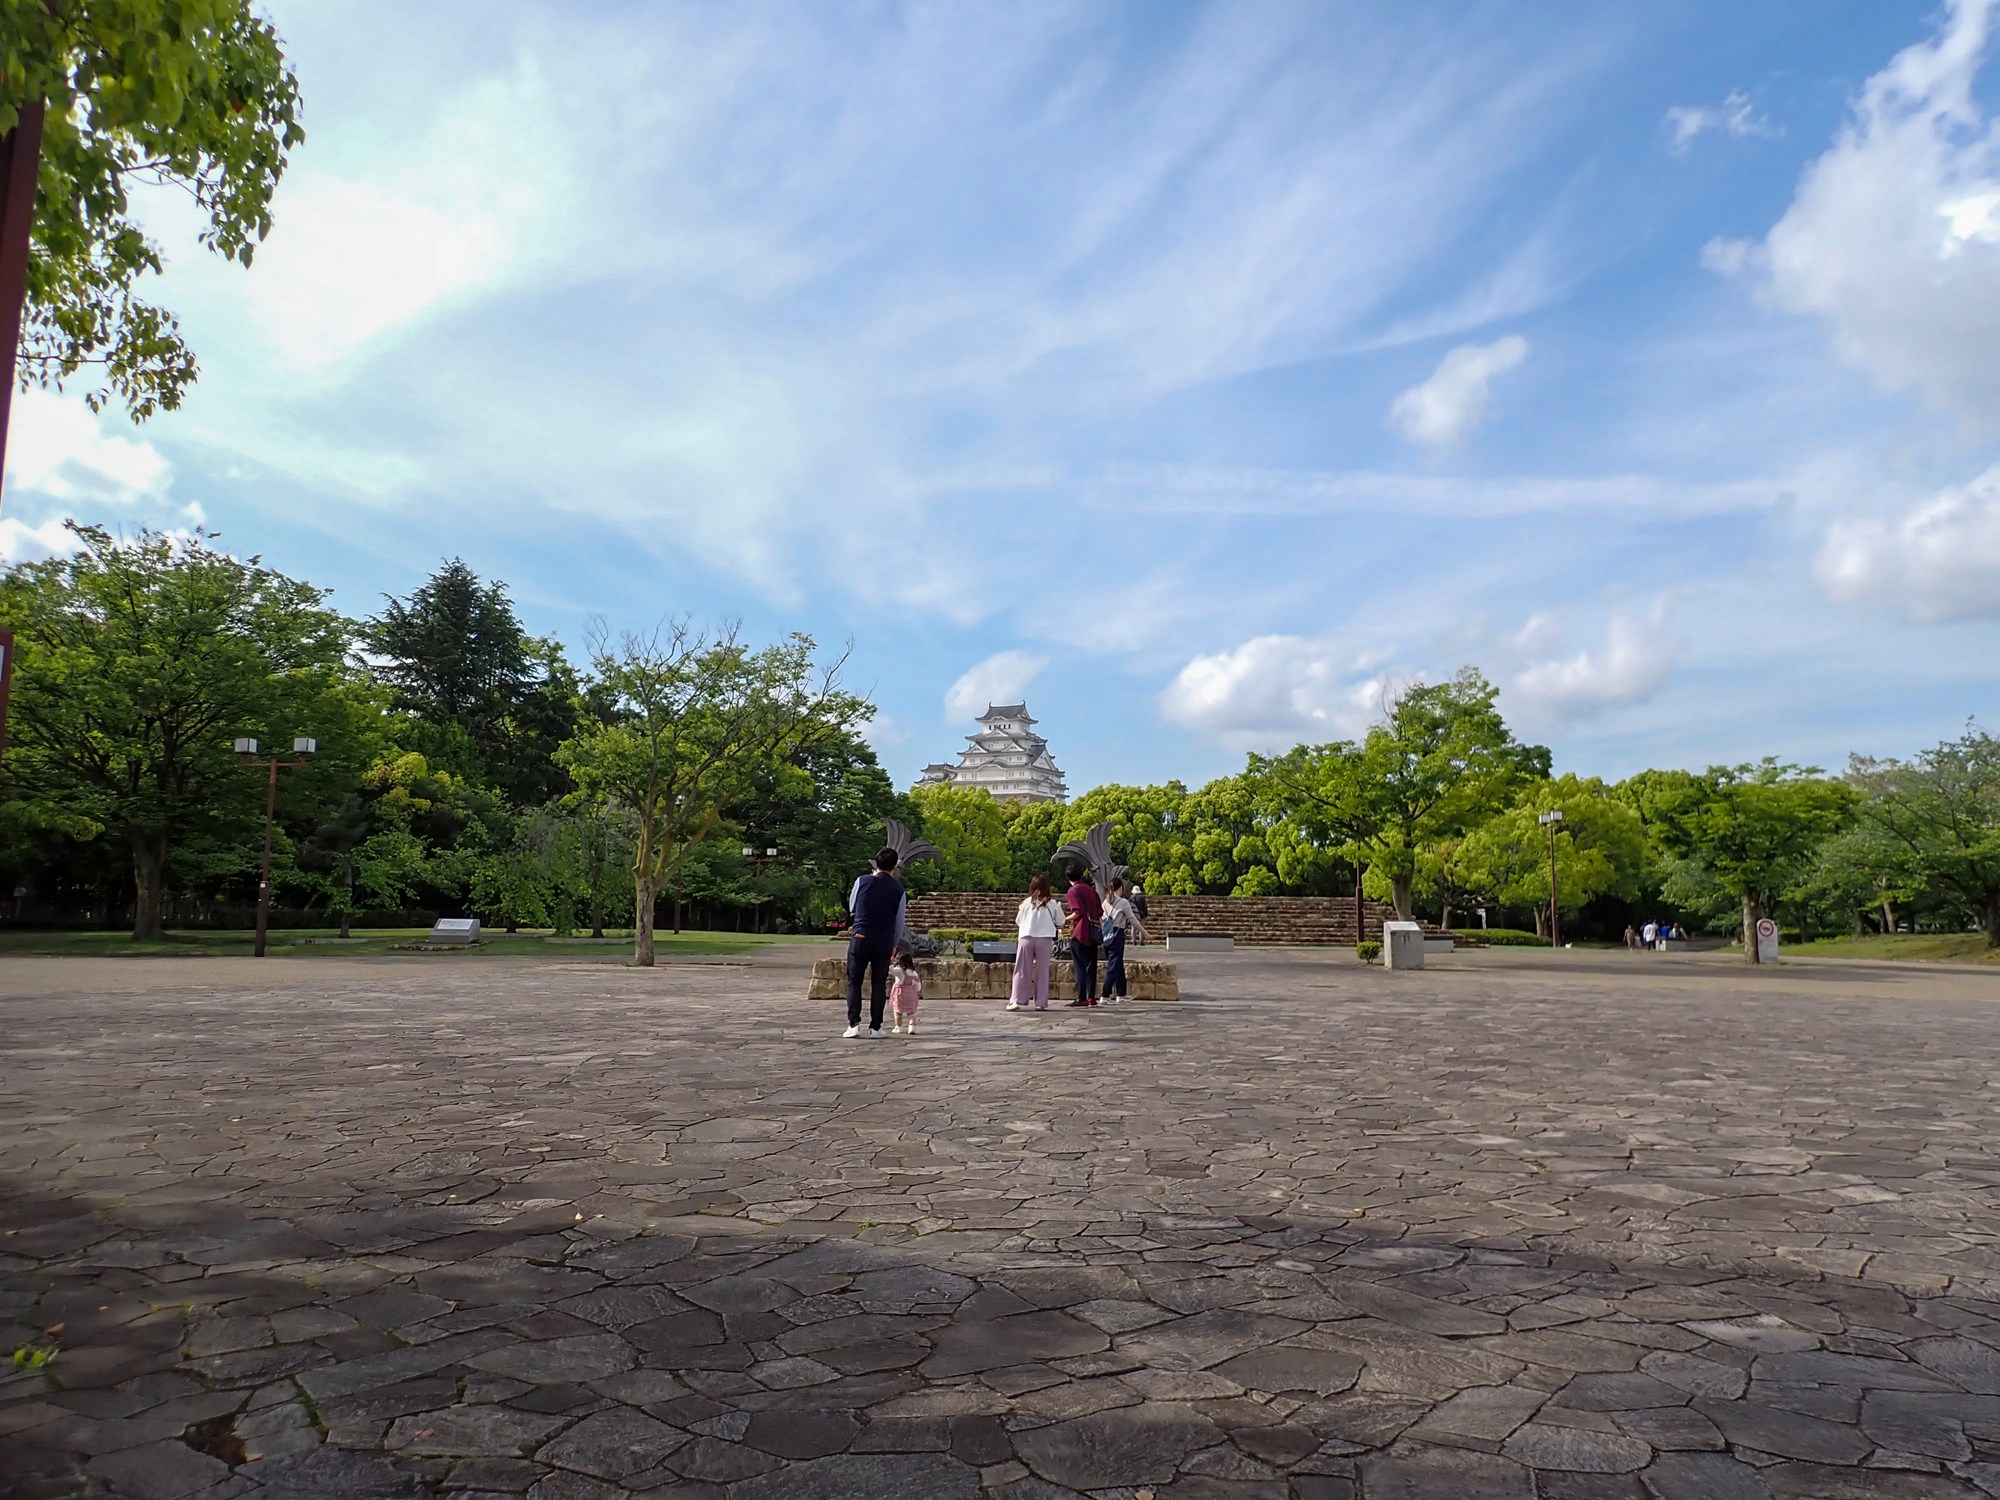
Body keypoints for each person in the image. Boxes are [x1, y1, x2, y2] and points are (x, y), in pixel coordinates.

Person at [844, 847, 903, 1039]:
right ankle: (876, 1027)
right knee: (878, 984)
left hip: (861, 937)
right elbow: (899, 921)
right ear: (895, 866)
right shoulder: (898, 890)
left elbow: (853, 907)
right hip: (884, 940)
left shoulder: (862, 881)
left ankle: (853, 1024)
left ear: (875, 864)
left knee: (854, 981)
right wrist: (894, 944)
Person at [1007, 874, 1061, 1011]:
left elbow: (1018, 921)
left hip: (1026, 937)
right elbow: (1060, 921)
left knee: (1022, 969)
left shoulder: (1026, 903)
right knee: (1042, 971)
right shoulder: (1053, 904)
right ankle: (1041, 1002)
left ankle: (1017, 1000)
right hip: (1045, 938)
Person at [1100, 876, 1149, 1003]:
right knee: (1113, 964)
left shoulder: (1105, 902)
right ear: (1121, 888)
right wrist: (1145, 933)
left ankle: (1121, 993)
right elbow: (1133, 920)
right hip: (1117, 933)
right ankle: (1105, 993)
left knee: (1117, 963)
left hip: (1107, 934)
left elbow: (1102, 919)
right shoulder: (1123, 902)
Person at [1064, 866, 1103, 1008]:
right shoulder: (1092, 890)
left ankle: (1081, 997)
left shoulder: (1073, 891)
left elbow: (1077, 912)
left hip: (1080, 932)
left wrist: (1064, 920)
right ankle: (1091, 997)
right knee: (1091, 965)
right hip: (1093, 932)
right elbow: (1099, 912)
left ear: (1068, 878)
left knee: (1080, 965)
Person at [888, 943, 921, 1034]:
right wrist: (916, 991)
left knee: (898, 1011)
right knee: (911, 1013)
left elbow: (890, 971)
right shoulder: (913, 972)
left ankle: (898, 1027)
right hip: (911, 994)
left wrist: (890, 961)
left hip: (900, 994)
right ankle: (911, 1027)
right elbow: (918, 986)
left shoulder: (899, 971)